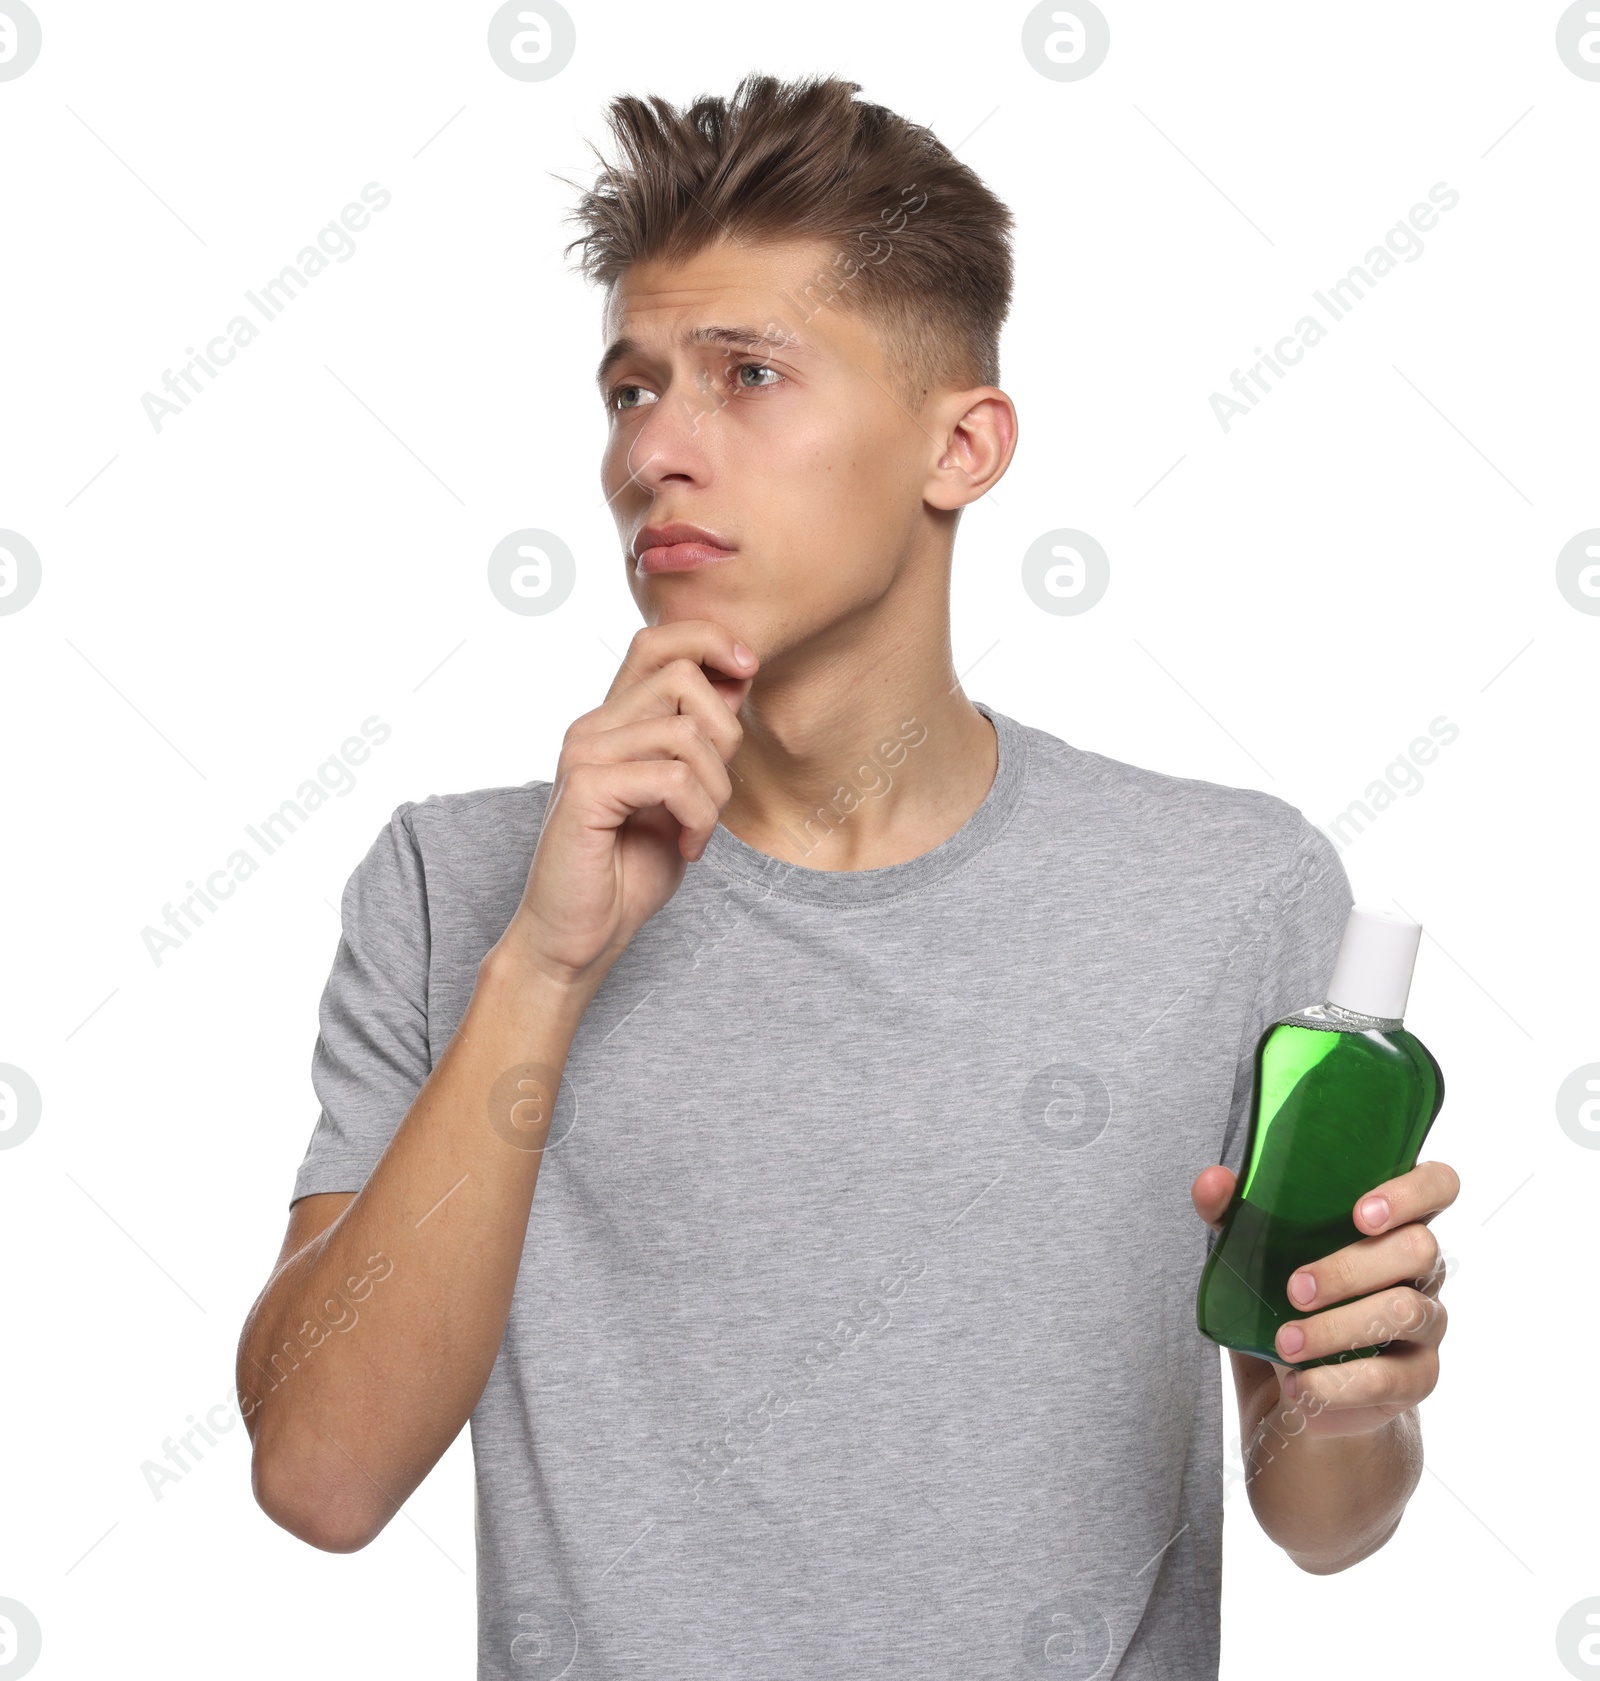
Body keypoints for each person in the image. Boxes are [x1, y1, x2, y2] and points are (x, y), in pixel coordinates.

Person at [236, 72, 1458, 1680]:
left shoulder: (1225, 888)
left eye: (747, 375)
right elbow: (320, 1478)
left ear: (963, 445)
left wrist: (1343, 1394)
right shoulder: (454, 880)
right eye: (628, 389)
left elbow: (1321, 1514)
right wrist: (541, 971)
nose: (655, 452)